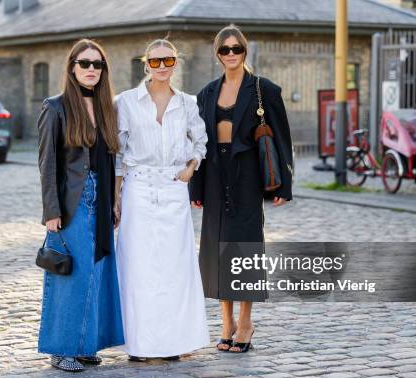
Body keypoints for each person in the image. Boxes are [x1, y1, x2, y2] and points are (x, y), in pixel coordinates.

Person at [189, 25, 294, 353]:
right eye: (225, 50)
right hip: (215, 175)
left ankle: (246, 322)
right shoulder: (206, 93)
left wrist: (284, 184)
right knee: (217, 246)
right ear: (217, 54)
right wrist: (196, 187)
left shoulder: (265, 89)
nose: (231, 54)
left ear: (244, 51)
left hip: (247, 173)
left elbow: (282, 138)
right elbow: (197, 142)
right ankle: (226, 322)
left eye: (237, 49)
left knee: (244, 246)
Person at [114, 38, 210, 361]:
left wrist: (191, 167)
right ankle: (139, 344)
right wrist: (116, 197)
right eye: (155, 61)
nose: (162, 67)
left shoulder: (188, 103)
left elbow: (201, 141)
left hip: (173, 188)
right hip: (138, 188)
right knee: (138, 267)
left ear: (175, 63)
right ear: (146, 64)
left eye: (168, 60)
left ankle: (173, 343)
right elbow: (117, 154)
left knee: (174, 268)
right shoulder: (126, 102)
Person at [36, 39, 124, 372]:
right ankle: (61, 349)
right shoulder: (55, 107)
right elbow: (47, 164)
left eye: (97, 64)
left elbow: (109, 159)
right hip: (73, 203)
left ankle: (85, 344)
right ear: (72, 67)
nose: (91, 69)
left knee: (97, 273)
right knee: (71, 274)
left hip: (101, 200)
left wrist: (114, 201)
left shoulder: (106, 108)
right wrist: (52, 212)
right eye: (84, 63)